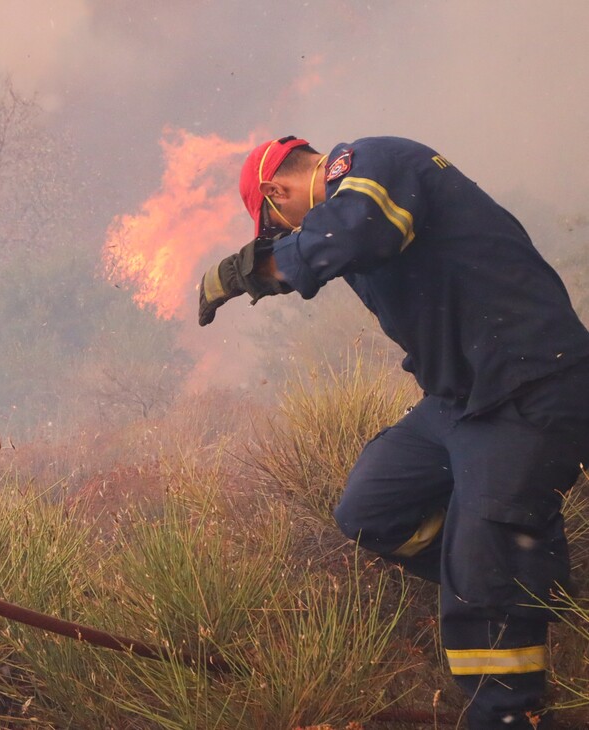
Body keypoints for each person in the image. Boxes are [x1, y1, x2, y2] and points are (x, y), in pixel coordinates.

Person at [198, 135, 589, 729]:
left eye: (279, 227)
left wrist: (246, 271)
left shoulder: (375, 164)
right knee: (371, 509)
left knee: (479, 577)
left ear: (277, 192)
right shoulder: (345, 212)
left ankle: (510, 712)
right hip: (457, 401)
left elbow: (356, 231)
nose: (288, 238)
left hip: (527, 387)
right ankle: (529, 577)